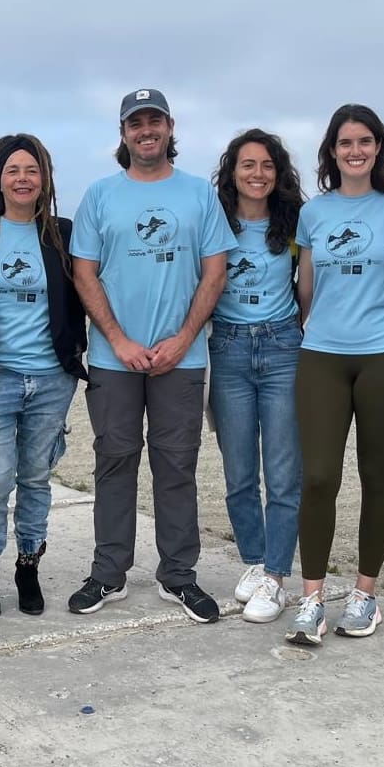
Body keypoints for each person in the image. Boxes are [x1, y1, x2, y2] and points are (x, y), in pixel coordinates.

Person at [68, 89, 235, 624]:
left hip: (180, 359)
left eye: (154, 121)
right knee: (115, 462)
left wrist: (184, 338)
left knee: (177, 465)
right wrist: (118, 339)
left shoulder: (198, 193)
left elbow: (215, 272)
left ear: (169, 127)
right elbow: (84, 273)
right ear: (123, 133)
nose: (146, 130)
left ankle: (178, 575)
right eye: (135, 123)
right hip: (114, 358)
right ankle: (108, 573)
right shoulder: (100, 195)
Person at [286, 104, 384, 646]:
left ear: (379, 148)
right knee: (319, 477)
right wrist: (311, 327)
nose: (355, 151)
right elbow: (305, 284)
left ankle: (365, 594)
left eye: (365, 141)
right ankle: (311, 600)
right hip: (322, 354)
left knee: (377, 475)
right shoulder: (313, 213)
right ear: (332, 151)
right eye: (345, 142)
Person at [0, 134, 87, 618]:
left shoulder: (64, 233)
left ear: (44, 178)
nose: (23, 179)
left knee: (35, 477)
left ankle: (28, 565)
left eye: (32, 170)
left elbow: (88, 290)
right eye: (13, 170)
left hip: (52, 378)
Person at [209, 129, 306, 624]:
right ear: (232, 172)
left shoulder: (294, 222)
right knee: (239, 473)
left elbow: (310, 283)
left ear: (279, 172)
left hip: (282, 346)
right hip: (227, 348)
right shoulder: (214, 221)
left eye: (267, 165)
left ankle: (277, 576)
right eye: (248, 164)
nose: (258, 174)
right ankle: (255, 559)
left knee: (284, 473)